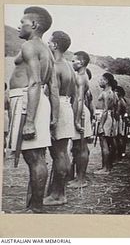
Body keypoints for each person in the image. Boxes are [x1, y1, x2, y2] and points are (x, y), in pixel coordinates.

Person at [8, 6, 59, 212]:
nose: (19, 26)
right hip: (36, 102)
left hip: (28, 102)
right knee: (36, 157)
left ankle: (36, 208)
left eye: (23, 22)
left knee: (35, 157)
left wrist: (29, 120)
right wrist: (53, 117)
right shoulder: (47, 51)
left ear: (34, 25)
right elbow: (53, 87)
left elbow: (35, 83)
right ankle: (33, 205)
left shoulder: (30, 46)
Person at [43, 31, 75, 205]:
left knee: (58, 154)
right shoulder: (69, 66)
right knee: (62, 153)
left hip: (58, 108)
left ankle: (58, 195)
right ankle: (59, 192)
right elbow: (75, 94)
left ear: (54, 45)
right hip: (66, 106)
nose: (47, 45)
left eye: (49, 42)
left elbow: (52, 92)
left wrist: (52, 117)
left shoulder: (55, 65)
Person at [68, 51, 93, 188]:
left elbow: (79, 99)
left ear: (81, 62)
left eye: (74, 61)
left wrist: (77, 120)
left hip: (80, 111)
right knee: (77, 147)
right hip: (78, 110)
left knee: (82, 146)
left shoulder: (81, 77)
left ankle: (81, 179)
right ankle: (78, 177)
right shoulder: (80, 76)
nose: (72, 63)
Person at [95, 72, 118, 174]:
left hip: (105, 118)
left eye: (101, 80)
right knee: (106, 144)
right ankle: (106, 167)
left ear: (106, 81)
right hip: (107, 118)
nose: (100, 82)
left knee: (104, 144)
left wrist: (101, 125)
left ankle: (105, 168)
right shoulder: (111, 93)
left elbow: (105, 110)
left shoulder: (107, 93)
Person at [115, 85, 128, 159]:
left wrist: (124, 118)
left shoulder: (122, 100)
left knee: (121, 137)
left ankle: (121, 152)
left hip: (120, 120)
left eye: (117, 91)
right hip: (115, 119)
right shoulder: (115, 99)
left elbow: (125, 111)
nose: (116, 92)